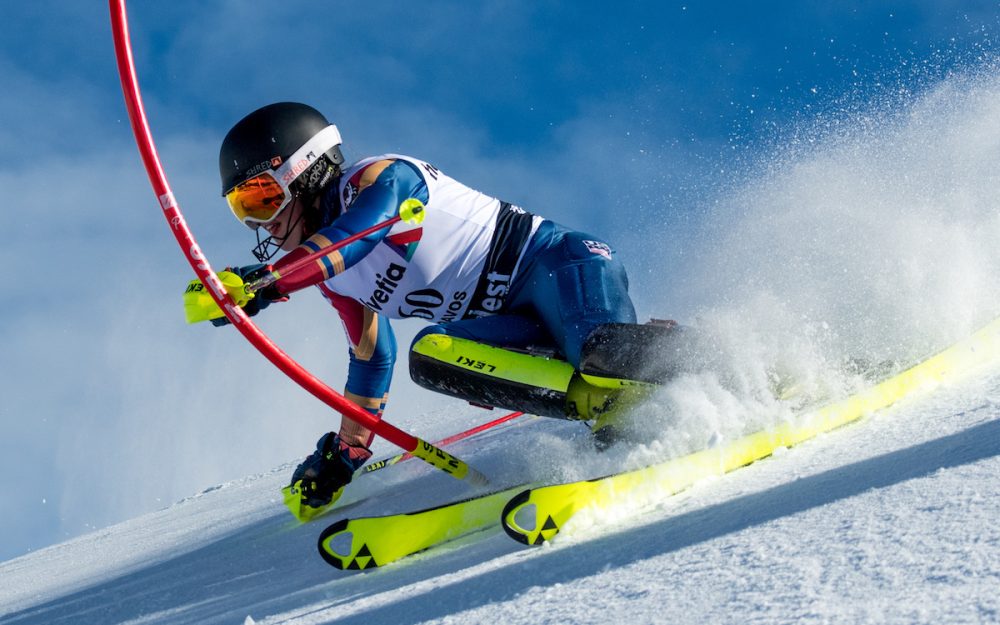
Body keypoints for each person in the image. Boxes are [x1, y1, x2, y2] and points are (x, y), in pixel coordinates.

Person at [213, 102, 675, 521]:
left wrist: (270, 281)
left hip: (560, 269)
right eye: (242, 208)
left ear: (307, 171)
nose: (261, 223)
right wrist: (345, 453)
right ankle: (619, 412)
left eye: (263, 197)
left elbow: (359, 236)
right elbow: (372, 359)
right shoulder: (335, 280)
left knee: (603, 355)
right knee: (432, 352)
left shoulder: (378, 179)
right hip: (517, 326)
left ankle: (707, 363)